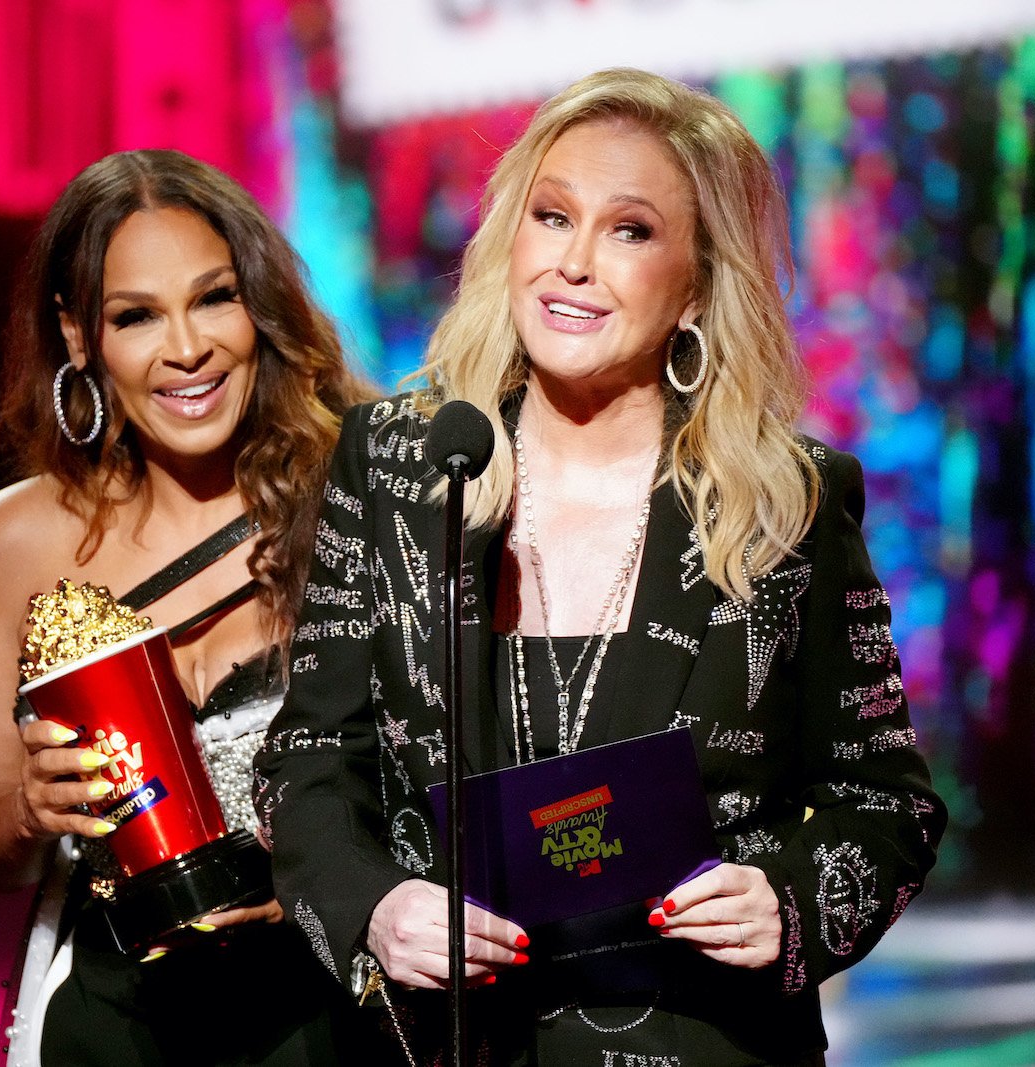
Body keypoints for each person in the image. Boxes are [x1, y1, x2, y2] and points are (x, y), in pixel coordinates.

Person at [254, 67, 947, 1064]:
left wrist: (789, 900)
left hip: (696, 1030)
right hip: (446, 1038)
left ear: (698, 283)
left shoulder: (787, 501)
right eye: (550, 215)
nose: (573, 262)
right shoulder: (402, 465)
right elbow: (310, 761)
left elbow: (887, 799)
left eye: (629, 230)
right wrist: (374, 908)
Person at [0, 149, 378, 1066]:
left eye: (213, 298)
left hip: (330, 1006)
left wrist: (317, 867)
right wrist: (31, 806)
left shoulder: (358, 491)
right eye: (136, 316)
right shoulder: (15, 537)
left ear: (258, 304)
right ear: (79, 336)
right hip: (108, 1019)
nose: (187, 348)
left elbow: (452, 769)